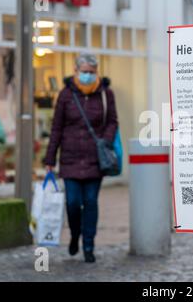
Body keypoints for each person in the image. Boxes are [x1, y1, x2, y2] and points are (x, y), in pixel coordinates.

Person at [43, 53, 118, 263]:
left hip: (95, 159)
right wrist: (50, 159)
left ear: (97, 72)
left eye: (92, 72)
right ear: (76, 71)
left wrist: (106, 140)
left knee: (91, 202)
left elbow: (113, 121)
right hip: (70, 158)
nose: (88, 76)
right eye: (84, 72)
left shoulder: (106, 94)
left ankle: (88, 245)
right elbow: (56, 128)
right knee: (73, 203)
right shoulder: (66, 95)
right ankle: (75, 234)